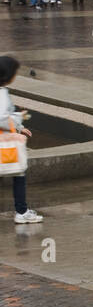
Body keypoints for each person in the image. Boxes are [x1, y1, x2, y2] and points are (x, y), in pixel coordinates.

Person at [0, 56, 42, 224]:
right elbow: (2, 118)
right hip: (4, 142)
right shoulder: (2, 93)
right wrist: (18, 119)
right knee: (19, 172)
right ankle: (22, 211)